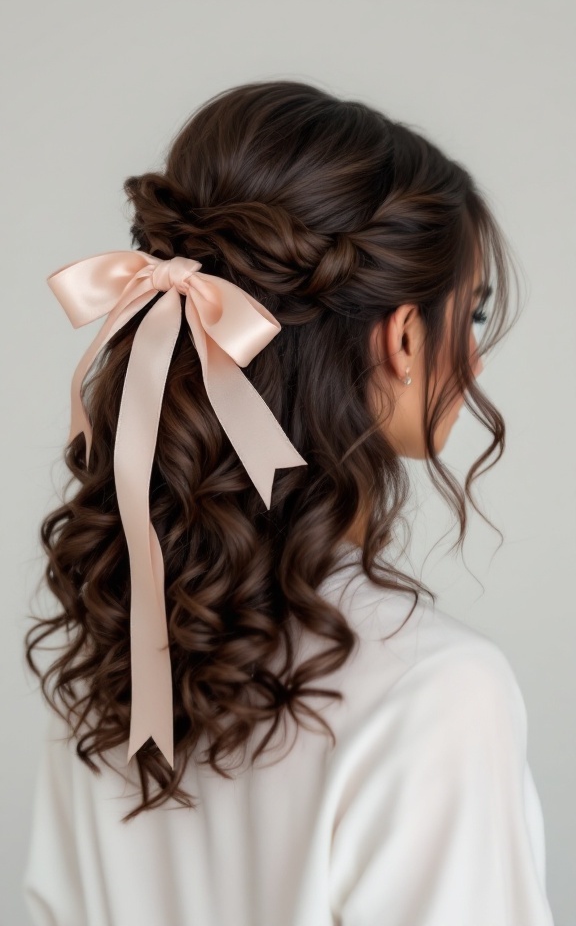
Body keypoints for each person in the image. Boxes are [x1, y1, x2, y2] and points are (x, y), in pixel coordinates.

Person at [22, 79, 555, 925]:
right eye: (474, 313)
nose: (476, 360)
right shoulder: (436, 689)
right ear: (403, 337)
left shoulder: (119, 662)